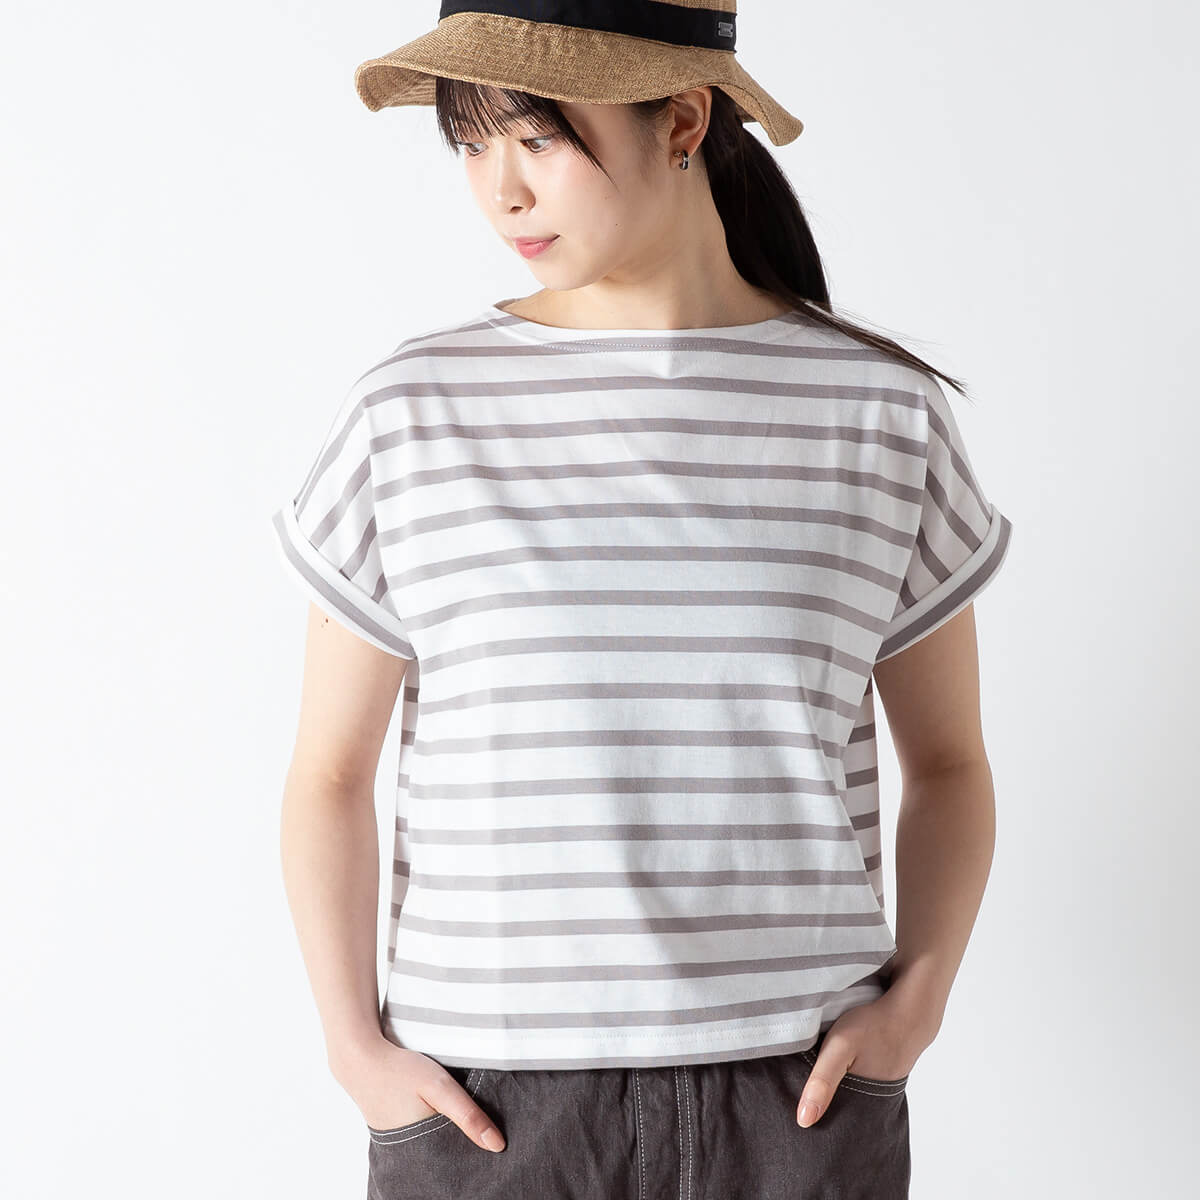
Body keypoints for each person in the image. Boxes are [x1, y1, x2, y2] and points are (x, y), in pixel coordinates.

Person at [269, 4, 1014, 1198]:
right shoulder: (411, 414)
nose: (501, 191)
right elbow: (326, 775)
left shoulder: (877, 413)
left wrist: (916, 1003)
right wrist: (353, 1048)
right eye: (470, 142)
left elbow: (952, 764)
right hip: (490, 1112)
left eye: (536, 137)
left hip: (796, 1100)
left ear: (681, 121)